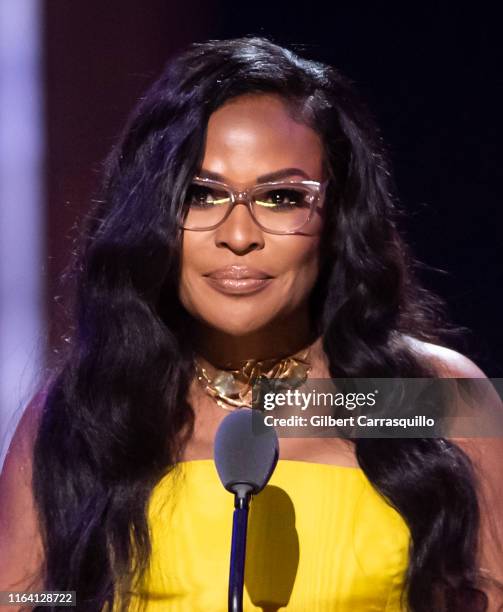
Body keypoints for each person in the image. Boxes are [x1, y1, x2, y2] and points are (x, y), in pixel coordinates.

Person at [0, 35, 502, 612]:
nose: (238, 236)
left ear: (338, 217)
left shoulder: (426, 396)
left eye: (282, 197)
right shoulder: (88, 409)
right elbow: (30, 594)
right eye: (202, 195)